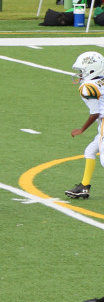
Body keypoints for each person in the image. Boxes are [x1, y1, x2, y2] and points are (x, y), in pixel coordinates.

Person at [65, 51, 104, 200]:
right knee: (90, 150)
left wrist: (81, 129)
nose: (80, 74)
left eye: (82, 70)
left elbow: (95, 113)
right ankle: (84, 186)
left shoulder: (88, 86)